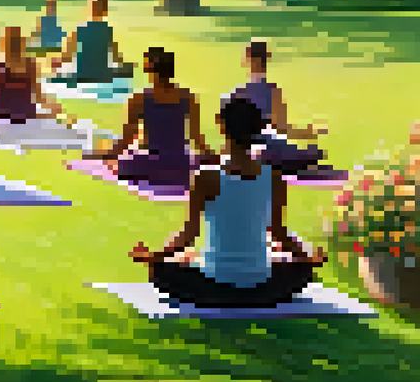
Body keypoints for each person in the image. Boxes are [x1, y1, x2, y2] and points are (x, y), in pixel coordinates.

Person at [131, 96, 326, 307]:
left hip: (214, 284)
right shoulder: (274, 178)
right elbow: (278, 232)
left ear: (222, 126)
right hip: (260, 286)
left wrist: (153, 257)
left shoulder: (205, 177)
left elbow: (189, 235)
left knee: (160, 270)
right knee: (300, 270)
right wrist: (307, 259)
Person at [90, 47, 215, 190]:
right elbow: (196, 138)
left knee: (121, 164)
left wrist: (106, 156)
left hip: (151, 164)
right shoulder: (188, 97)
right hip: (180, 163)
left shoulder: (139, 99)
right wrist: (212, 156)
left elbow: (127, 139)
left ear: (151, 70)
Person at [226, 40, 333, 177]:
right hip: (268, 146)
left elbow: (229, 133)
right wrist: (310, 133)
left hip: (241, 151)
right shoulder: (272, 91)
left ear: (247, 59)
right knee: (312, 153)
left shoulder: (236, 93)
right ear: (267, 59)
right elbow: (282, 128)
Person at [0, 26, 68, 130]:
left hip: (2, 118)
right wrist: (56, 110)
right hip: (26, 116)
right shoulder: (30, 66)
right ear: (22, 45)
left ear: (2, 46)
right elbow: (39, 97)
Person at [49, 0, 134, 84]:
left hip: (83, 74)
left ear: (90, 8)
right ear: (105, 11)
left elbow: (67, 56)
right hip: (102, 75)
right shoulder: (107, 30)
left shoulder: (80, 29)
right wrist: (126, 66)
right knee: (123, 69)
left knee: (63, 70)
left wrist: (58, 62)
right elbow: (116, 56)